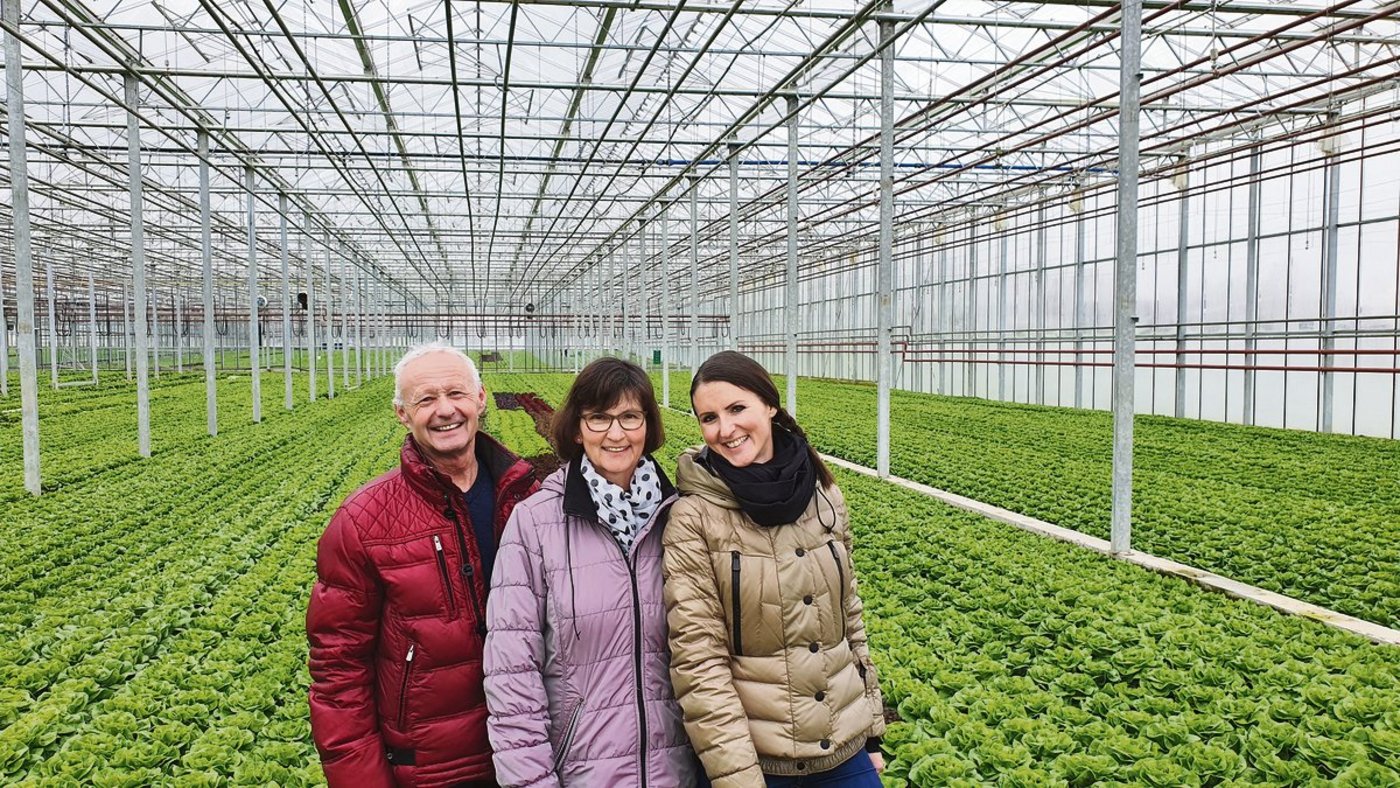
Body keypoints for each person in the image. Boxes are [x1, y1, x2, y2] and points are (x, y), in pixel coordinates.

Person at [307, 342, 539, 787]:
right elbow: (339, 671)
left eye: (456, 393)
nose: (445, 410)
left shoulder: (528, 497)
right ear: (402, 413)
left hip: (530, 750)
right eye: (426, 399)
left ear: (480, 398)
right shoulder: (363, 520)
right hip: (432, 767)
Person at [663, 351, 886, 788]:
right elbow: (699, 659)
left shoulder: (824, 496)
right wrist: (739, 777)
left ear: (769, 404)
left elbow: (850, 620)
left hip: (843, 746)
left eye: (737, 408)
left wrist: (871, 731)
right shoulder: (694, 517)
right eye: (709, 418)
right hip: (758, 762)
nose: (725, 429)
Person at [484, 357, 702, 787]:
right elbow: (513, 675)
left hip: (677, 772)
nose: (616, 434)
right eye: (599, 418)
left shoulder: (680, 517)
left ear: (648, 426)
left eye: (630, 417)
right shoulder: (536, 523)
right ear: (577, 429)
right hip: (582, 772)